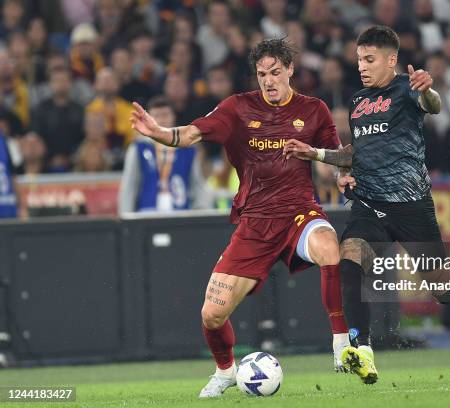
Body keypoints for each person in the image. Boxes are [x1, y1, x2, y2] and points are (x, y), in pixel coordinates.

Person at [130, 38, 372, 397]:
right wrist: (159, 134)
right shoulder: (237, 109)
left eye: (275, 73)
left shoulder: (315, 109)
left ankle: (340, 344)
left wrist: (340, 175)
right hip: (255, 223)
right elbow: (191, 134)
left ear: (290, 70)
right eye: (262, 74)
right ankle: (225, 372)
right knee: (211, 315)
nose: (269, 81)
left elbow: (334, 159)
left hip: (298, 214)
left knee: (329, 247)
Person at [283, 25, 450, 378]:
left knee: (444, 290)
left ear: (391, 60)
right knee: (349, 256)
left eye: (369, 59)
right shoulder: (357, 103)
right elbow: (357, 153)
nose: (362, 67)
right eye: (358, 60)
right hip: (369, 203)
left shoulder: (407, 89)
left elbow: (433, 105)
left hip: (411, 205)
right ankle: (362, 349)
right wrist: (317, 153)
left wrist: (428, 90)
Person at [118, 96, 209, 215]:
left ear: (174, 116)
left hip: (180, 215)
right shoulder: (138, 148)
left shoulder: (188, 148)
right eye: (156, 116)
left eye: (165, 115)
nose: (161, 120)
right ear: (149, 119)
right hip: (147, 215)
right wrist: (126, 216)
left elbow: (197, 186)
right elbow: (129, 186)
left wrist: (201, 214)